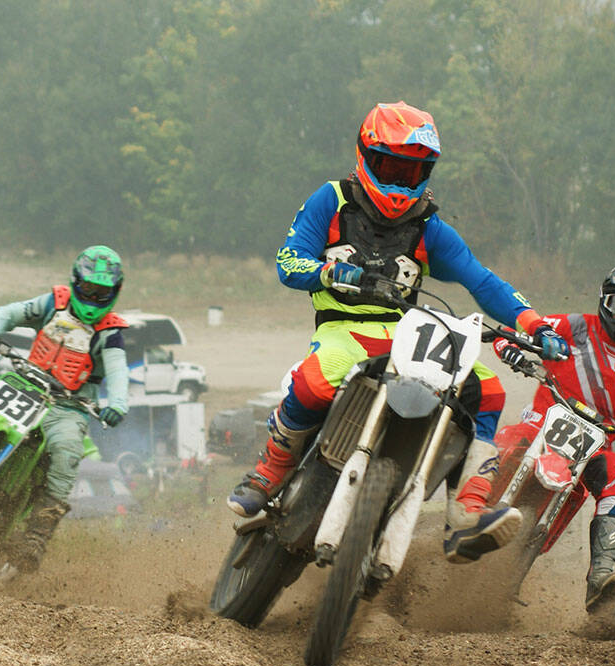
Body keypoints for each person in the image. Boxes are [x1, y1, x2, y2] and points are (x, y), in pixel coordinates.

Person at [226, 101, 570, 564]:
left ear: (426, 172)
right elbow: (289, 261)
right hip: (344, 328)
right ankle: (271, 469)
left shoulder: (429, 227)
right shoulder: (332, 200)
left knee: (486, 389)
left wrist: (534, 323)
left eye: (411, 172)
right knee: (314, 381)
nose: (398, 180)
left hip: (406, 331)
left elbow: (482, 281)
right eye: (389, 166)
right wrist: (326, 273)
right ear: (366, 156)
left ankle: (468, 509)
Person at [491, 264, 615, 611]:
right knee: (505, 443)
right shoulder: (571, 326)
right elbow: (512, 329)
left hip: (594, 444)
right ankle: (471, 506)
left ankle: (600, 577)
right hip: (541, 422)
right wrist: (509, 347)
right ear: (605, 301)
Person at [0, 245, 130, 574]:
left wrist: (117, 403)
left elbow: (117, 372)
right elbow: (12, 311)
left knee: (67, 451)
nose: (93, 297)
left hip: (68, 406)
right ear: (75, 282)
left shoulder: (110, 333)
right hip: (25, 386)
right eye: (88, 288)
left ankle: (35, 538)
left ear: (114, 293)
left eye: (102, 292)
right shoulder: (52, 304)